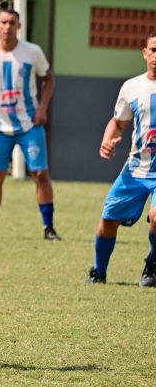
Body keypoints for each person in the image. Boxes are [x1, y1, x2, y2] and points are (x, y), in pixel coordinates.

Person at [0, 8, 61, 240]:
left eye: (12, 22)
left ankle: (48, 227)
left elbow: (49, 78)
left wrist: (42, 108)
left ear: (19, 27)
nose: (8, 26)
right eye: (4, 22)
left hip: (29, 124)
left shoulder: (32, 52)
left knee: (40, 173)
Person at [86, 31, 156, 286]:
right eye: (154, 50)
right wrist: (108, 141)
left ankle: (152, 264)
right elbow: (118, 123)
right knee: (108, 220)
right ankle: (98, 271)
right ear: (145, 52)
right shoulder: (132, 87)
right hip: (136, 169)